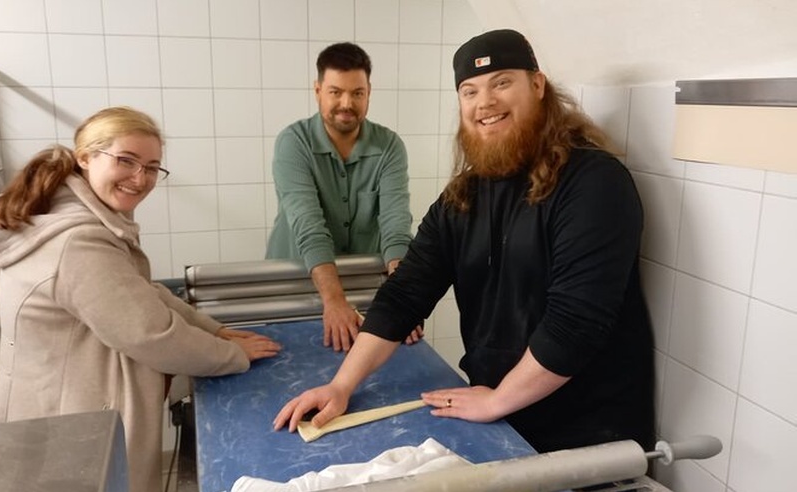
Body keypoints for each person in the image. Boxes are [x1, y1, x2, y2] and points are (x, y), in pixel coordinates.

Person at [273, 29, 655, 453]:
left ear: (538, 85)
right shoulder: (465, 194)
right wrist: (341, 385)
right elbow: (404, 294)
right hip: (502, 423)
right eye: (469, 91)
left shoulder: (593, 182)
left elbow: (575, 324)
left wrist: (498, 399)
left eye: (501, 83)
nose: (485, 103)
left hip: (588, 435)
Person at [0, 106, 281, 492]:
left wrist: (217, 331)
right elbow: (151, 334)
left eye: (151, 167)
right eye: (126, 161)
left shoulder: (78, 215)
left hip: (55, 409)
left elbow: (141, 293)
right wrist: (233, 356)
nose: (140, 178)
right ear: (85, 157)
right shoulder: (79, 242)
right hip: (69, 425)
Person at [266, 42, 420, 352]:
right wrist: (334, 301)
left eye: (357, 93)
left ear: (369, 92)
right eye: (336, 92)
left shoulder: (390, 146)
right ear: (318, 90)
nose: (346, 103)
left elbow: (395, 223)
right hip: (295, 284)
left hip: (364, 288)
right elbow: (309, 225)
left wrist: (404, 298)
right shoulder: (293, 143)